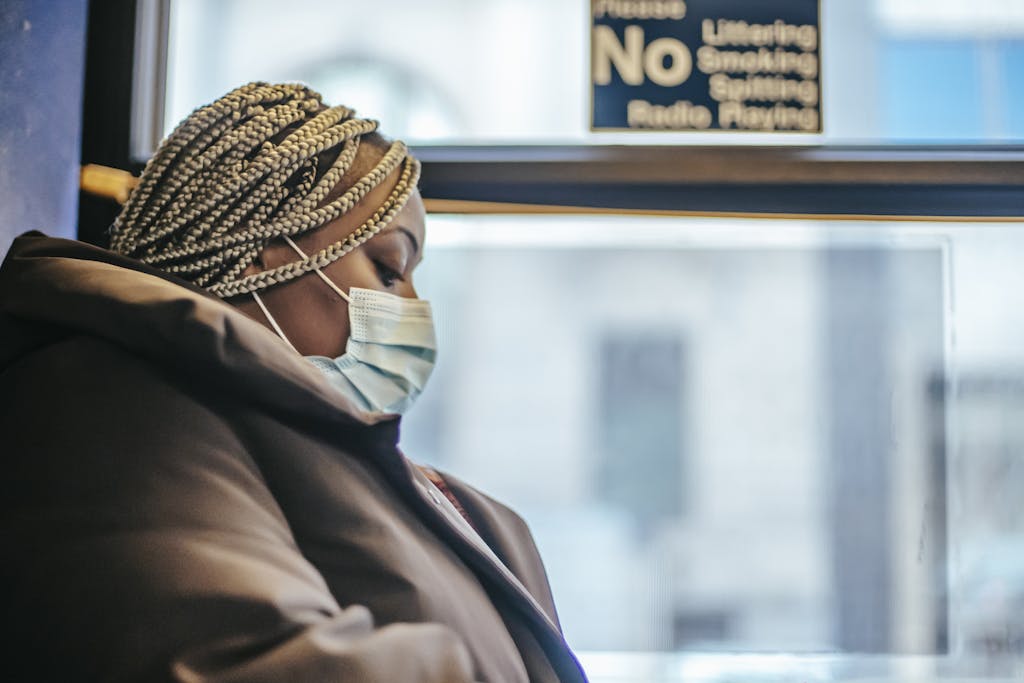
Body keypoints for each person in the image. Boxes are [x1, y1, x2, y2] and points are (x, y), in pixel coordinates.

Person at [0, 82, 587, 682]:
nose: (413, 305)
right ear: (262, 249)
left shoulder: (345, 458)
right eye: (389, 269)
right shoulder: (109, 407)